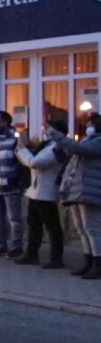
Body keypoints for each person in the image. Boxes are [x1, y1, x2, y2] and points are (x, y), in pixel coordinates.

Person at [48, 112, 101, 279]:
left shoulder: (98, 142)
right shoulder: (87, 140)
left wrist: (58, 136)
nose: (87, 126)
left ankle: (98, 264)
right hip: (77, 189)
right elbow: (67, 156)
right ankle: (89, 260)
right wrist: (58, 144)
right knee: (81, 228)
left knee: (92, 229)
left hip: (91, 190)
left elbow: (81, 150)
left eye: (90, 123)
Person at [13, 120, 67, 268]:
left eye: (47, 128)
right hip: (35, 191)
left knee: (52, 226)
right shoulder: (47, 146)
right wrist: (23, 147)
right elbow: (31, 161)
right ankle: (32, 254)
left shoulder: (57, 148)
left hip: (46, 192)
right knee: (34, 225)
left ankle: (56, 257)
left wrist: (22, 149)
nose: (44, 130)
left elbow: (35, 163)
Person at [0, 111, 25, 258]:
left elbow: (22, 163)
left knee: (14, 218)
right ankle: (0, 244)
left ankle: (17, 246)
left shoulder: (15, 141)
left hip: (10, 186)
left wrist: (14, 179)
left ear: (5, 123)